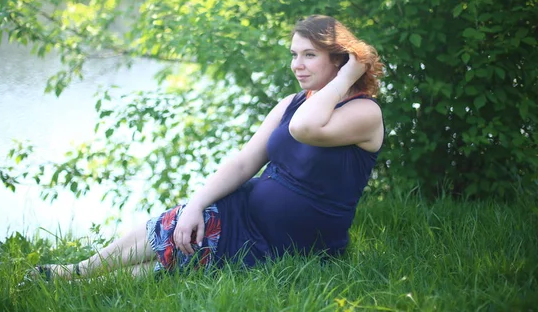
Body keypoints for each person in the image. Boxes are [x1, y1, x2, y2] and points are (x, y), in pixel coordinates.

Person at [32, 15, 384, 280]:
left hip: (299, 242)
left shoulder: (364, 112)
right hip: (245, 213)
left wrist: (344, 80)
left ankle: (80, 282)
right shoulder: (292, 102)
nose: (297, 65)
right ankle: (76, 275)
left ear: (339, 60)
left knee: (186, 255)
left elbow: (306, 128)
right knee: (180, 231)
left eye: (310, 55)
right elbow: (246, 161)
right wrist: (196, 204)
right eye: (294, 54)